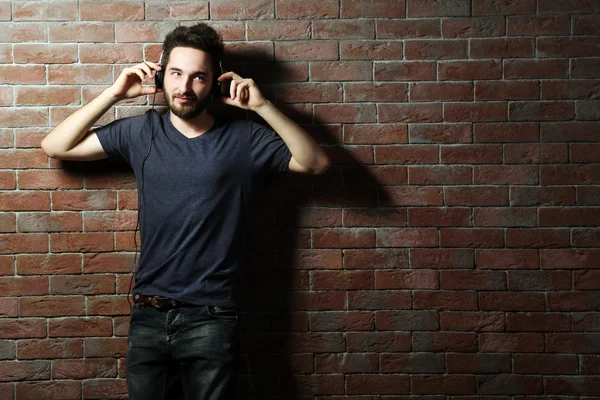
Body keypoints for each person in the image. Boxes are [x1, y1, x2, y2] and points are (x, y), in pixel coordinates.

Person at [41, 23, 330, 400]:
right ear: (160, 75)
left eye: (198, 77)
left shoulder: (244, 138)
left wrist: (262, 106)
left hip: (211, 317)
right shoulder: (140, 132)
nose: (185, 87)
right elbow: (55, 145)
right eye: (176, 73)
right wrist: (114, 94)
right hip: (148, 312)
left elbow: (315, 163)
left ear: (215, 82)